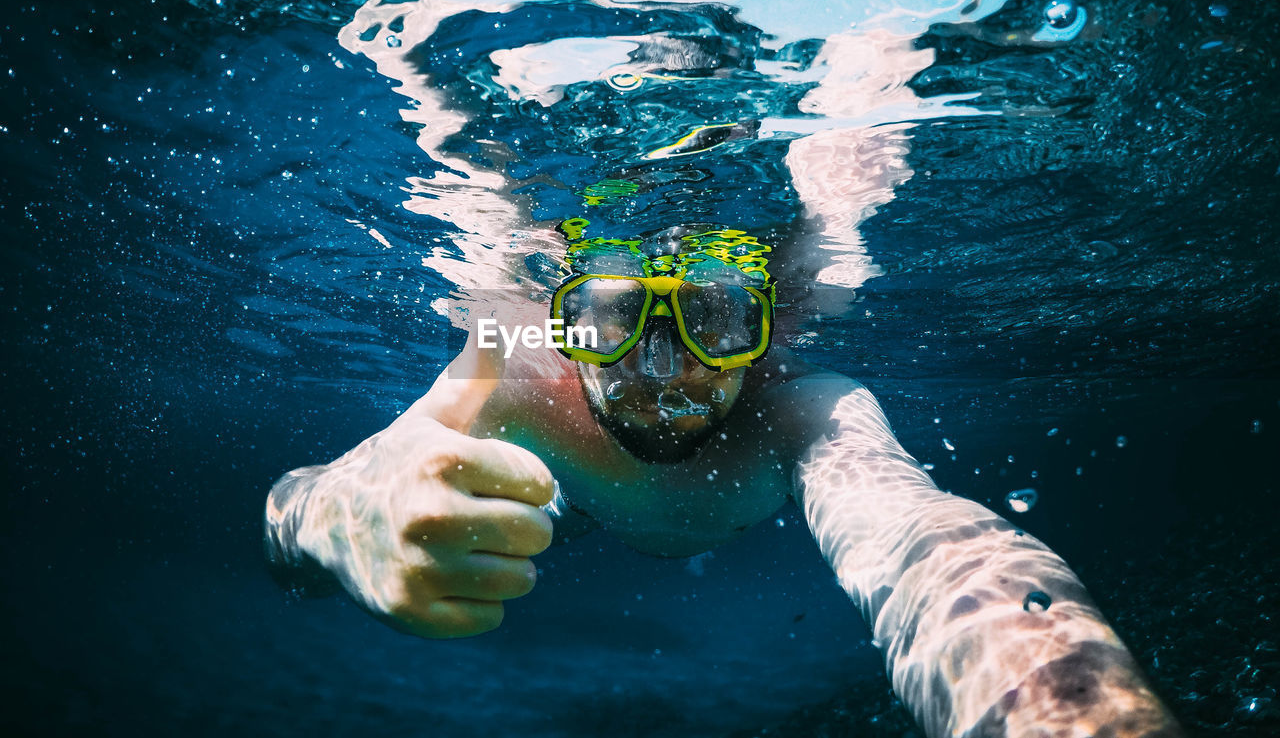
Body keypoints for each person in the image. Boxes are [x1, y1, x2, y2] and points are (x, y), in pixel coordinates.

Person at [264, 224, 1183, 738]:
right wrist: (338, 515)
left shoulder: (807, 409)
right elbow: (313, 497)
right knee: (523, 494)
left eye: (714, 319)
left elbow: (925, 545)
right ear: (562, 324)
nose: (663, 371)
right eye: (610, 320)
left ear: (768, 332)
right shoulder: (511, 353)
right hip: (568, 505)